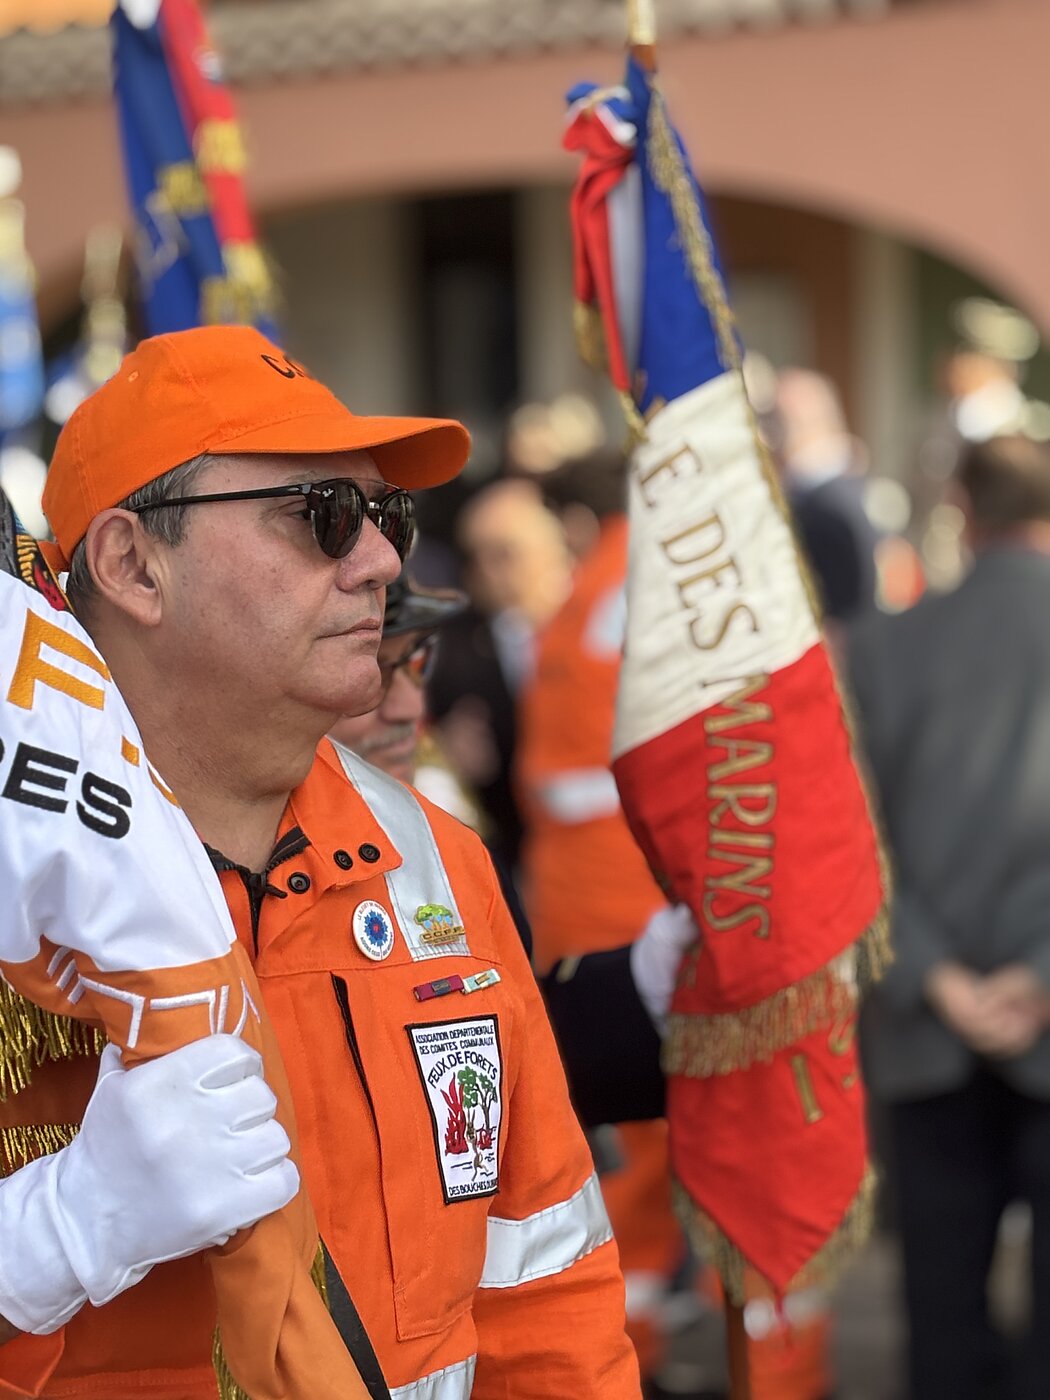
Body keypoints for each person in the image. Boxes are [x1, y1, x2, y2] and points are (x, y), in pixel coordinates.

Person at [0, 325, 640, 1400]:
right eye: (323, 518)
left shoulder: (437, 855)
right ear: (130, 562)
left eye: (386, 515)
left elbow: (547, 1282)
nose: (386, 561)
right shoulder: (22, 881)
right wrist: (64, 1228)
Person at [850, 433, 1050, 1400]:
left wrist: (936, 976)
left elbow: (853, 839)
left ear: (963, 512)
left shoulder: (888, 645)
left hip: (925, 1021)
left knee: (940, 1315)